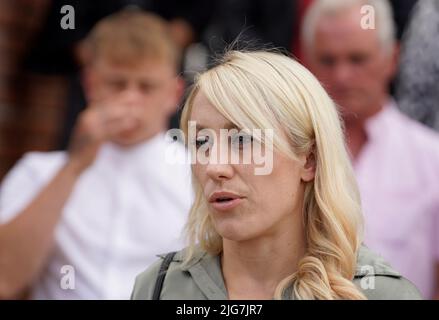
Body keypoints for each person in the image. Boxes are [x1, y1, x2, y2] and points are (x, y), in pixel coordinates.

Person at [131, 50, 421, 300]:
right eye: (201, 142)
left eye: (242, 140)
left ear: (309, 159)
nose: (214, 167)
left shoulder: (376, 292)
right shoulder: (159, 287)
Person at [0, 10, 192, 299]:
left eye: (146, 87)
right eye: (117, 83)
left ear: (174, 94)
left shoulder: (199, 175)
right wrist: (75, 166)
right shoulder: (38, 171)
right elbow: (5, 279)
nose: (130, 99)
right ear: (90, 84)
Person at [301, 0, 439, 299]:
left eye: (357, 59)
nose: (342, 76)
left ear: (392, 59)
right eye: (328, 60)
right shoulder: (286, 155)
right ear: (308, 63)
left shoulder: (431, 160)